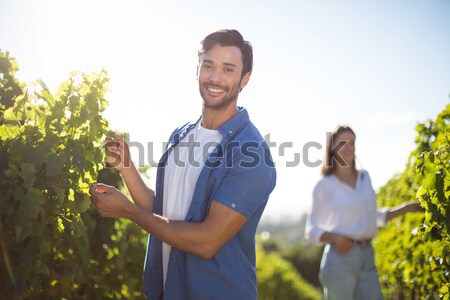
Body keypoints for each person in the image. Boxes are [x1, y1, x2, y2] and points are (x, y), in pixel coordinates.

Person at [89, 29, 276, 300]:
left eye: (228, 69)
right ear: (197, 69)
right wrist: (127, 167)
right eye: (208, 66)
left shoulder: (251, 153)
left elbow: (206, 241)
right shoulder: (181, 135)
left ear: (244, 79)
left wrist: (127, 211)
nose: (215, 77)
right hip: (167, 291)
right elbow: (163, 211)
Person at [307, 125, 423, 300]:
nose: (348, 147)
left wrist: (406, 207)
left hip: (367, 255)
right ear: (332, 148)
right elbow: (311, 230)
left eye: (352, 142)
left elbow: (373, 216)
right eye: (342, 143)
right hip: (340, 258)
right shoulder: (325, 185)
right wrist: (337, 239)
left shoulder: (364, 177)